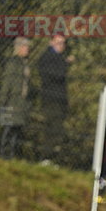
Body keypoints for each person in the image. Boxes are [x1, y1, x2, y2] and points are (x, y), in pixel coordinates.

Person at [38, 34, 72, 162]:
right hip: (51, 98)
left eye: (63, 43)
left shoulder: (58, 58)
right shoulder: (48, 57)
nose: (61, 46)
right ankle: (47, 157)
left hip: (59, 99)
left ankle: (52, 158)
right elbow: (55, 75)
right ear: (51, 42)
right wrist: (65, 63)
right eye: (58, 43)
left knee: (58, 129)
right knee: (51, 128)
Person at [0, 37, 30, 159]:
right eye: (26, 47)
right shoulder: (13, 63)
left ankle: (12, 154)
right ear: (19, 48)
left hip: (21, 101)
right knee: (9, 127)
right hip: (13, 100)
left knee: (17, 129)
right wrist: (3, 99)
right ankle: (3, 152)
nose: (28, 49)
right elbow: (8, 81)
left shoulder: (24, 63)